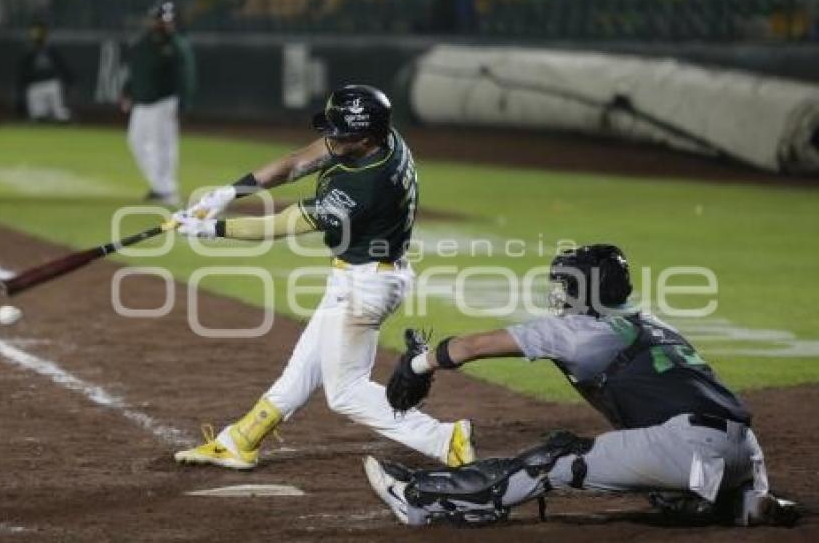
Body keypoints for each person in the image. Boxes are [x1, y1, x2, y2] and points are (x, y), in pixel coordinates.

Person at [366, 244, 799, 527]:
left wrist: (420, 363)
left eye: (565, 285)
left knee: (555, 458)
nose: (559, 294)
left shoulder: (578, 331)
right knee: (659, 475)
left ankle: (421, 500)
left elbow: (475, 345)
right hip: (744, 449)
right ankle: (750, 504)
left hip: (687, 448)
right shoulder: (652, 323)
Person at [171, 84, 475, 470]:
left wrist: (210, 230)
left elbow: (284, 223)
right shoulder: (381, 137)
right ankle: (241, 440)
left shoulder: (365, 186)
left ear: (364, 139)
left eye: (340, 134)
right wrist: (229, 192)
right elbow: (299, 161)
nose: (330, 138)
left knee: (345, 392)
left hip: (367, 285)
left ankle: (445, 439)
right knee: (304, 365)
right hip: (361, 273)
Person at [120, 0, 196, 207]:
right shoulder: (144, 42)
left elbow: (186, 76)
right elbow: (136, 70)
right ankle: (161, 185)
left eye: (167, 20)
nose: (163, 24)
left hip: (165, 102)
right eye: (160, 20)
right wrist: (127, 91)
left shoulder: (177, 45)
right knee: (135, 141)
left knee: (165, 146)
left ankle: (166, 187)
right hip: (142, 102)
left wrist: (184, 103)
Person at [17, 21, 73, 122]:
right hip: (35, 87)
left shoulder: (51, 51)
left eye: (39, 32)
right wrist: (21, 90)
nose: (37, 35)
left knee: (60, 115)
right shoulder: (29, 53)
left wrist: (69, 80)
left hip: (51, 84)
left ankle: (67, 129)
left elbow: (62, 67)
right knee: (38, 117)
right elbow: (23, 73)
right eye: (35, 33)